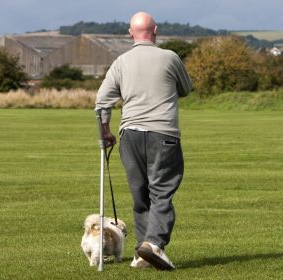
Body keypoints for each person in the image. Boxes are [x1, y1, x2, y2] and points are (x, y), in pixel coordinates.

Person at [94, 11, 192, 270]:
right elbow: (185, 88)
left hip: (130, 134)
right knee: (161, 192)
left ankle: (142, 252)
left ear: (130, 33)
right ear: (155, 31)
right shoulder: (170, 57)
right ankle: (154, 244)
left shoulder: (120, 62)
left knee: (140, 195)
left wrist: (104, 130)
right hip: (164, 134)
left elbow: (102, 100)